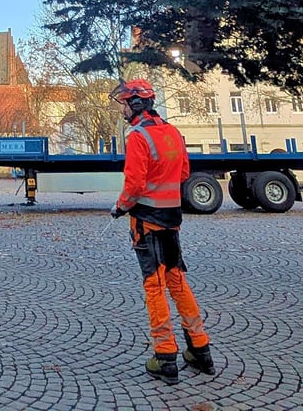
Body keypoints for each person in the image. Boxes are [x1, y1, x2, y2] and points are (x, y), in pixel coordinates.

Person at [110, 78, 215, 385]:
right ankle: (200, 348)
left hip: (146, 222)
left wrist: (120, 206)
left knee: (154, 286)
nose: (124, 110)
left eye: (126, 104)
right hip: (172, 220)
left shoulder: (139, 137)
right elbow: (183, 173)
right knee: (177, 281)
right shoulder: (172, 133)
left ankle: (165, 355)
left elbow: (134, 185)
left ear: (137, 104)